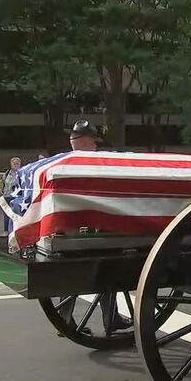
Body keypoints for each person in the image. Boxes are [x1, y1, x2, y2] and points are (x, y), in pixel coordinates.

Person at [62, 119, 131, 335]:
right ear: (86, 141)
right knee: (109, 269)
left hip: (71, 230)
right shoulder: (89, 163)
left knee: (83, 273)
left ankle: (69, 318)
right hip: (91, 230)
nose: (95, 147)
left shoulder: (64, 163)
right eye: (93, 142)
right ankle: (108, 318)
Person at [0, 157, 21, 234]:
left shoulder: (22, 174)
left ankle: (16, 230)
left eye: (17, 163)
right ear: (10, 164)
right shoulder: (6, 173)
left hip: (17, 197)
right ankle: (6, 231)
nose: (15, 165)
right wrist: (1, 190)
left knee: (16, 214)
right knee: (6, 215)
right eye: (14, 163)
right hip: (7, 196)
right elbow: (2, 183)